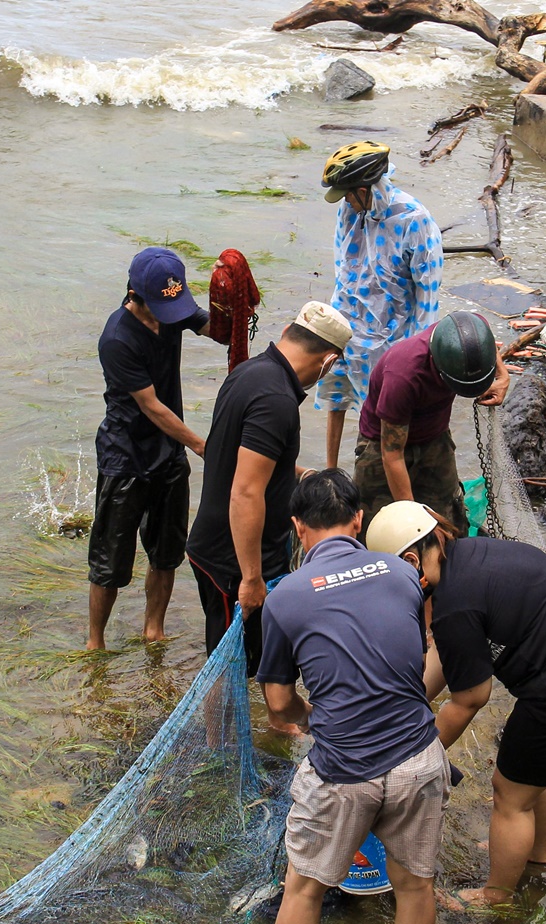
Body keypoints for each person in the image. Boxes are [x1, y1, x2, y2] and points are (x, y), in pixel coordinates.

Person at [245, 470, 450, 924]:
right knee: (415, 885)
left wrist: (314, 720)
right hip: (418, 757)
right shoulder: (403, 574)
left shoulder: (284, 598)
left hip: (342, 770)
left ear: (296, 527)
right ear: (359, 521)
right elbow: (411, 653)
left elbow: (279, 703)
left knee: (305, 887)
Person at [365, 501, 546, 910]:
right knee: (536, 774)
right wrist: (405, 705)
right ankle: (533, 857)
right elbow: (443, 654)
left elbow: (470, 698)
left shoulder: (455, 604)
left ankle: (496, 895)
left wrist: (409, 755)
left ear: (411, 561)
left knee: (508, 792)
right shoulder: (468, 556)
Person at [185, 301, 351, 674]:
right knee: (227, 667)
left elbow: (230, 452)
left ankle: (274, 723)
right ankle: (221, 734)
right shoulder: (277, 400)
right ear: (328, 361)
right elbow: (245, 491)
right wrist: (251, 577)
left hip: (213, 545)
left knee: (261, 658)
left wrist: (300, 473)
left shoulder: (250, 372)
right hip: (232, 559)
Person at [87, 246, 219, 651]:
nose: (173, 314)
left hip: (169, 455)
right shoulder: (117, 338)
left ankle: (154, 630)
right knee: (110, 559)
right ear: (135, 293)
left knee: (166, 552)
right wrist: (202, 446)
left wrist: (229, 293)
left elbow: (216, 330)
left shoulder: (172, 311)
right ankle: (95, 642)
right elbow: (152, 407)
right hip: (125, 456)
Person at [318, 141, 443, 471]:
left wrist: (410, 358)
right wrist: (338, 325)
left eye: (347, 193)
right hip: (351, 325)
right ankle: (331, 470)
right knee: (336, 393)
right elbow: (344, 267)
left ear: (363, 189)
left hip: (392, 337)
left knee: (382, 418)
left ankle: (375, 472)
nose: (343, 201)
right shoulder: (352, 210)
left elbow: (427, 299)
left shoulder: (415, 222)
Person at [354, 309, 510, 533]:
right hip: (382, 448)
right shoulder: (404, 375)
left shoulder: (471, 330)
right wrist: (415, 522)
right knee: (380, 527)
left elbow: (488, 345)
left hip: (434, 439)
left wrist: (502, 376)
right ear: (437, 365)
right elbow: (392, 454)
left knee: (450, 521)